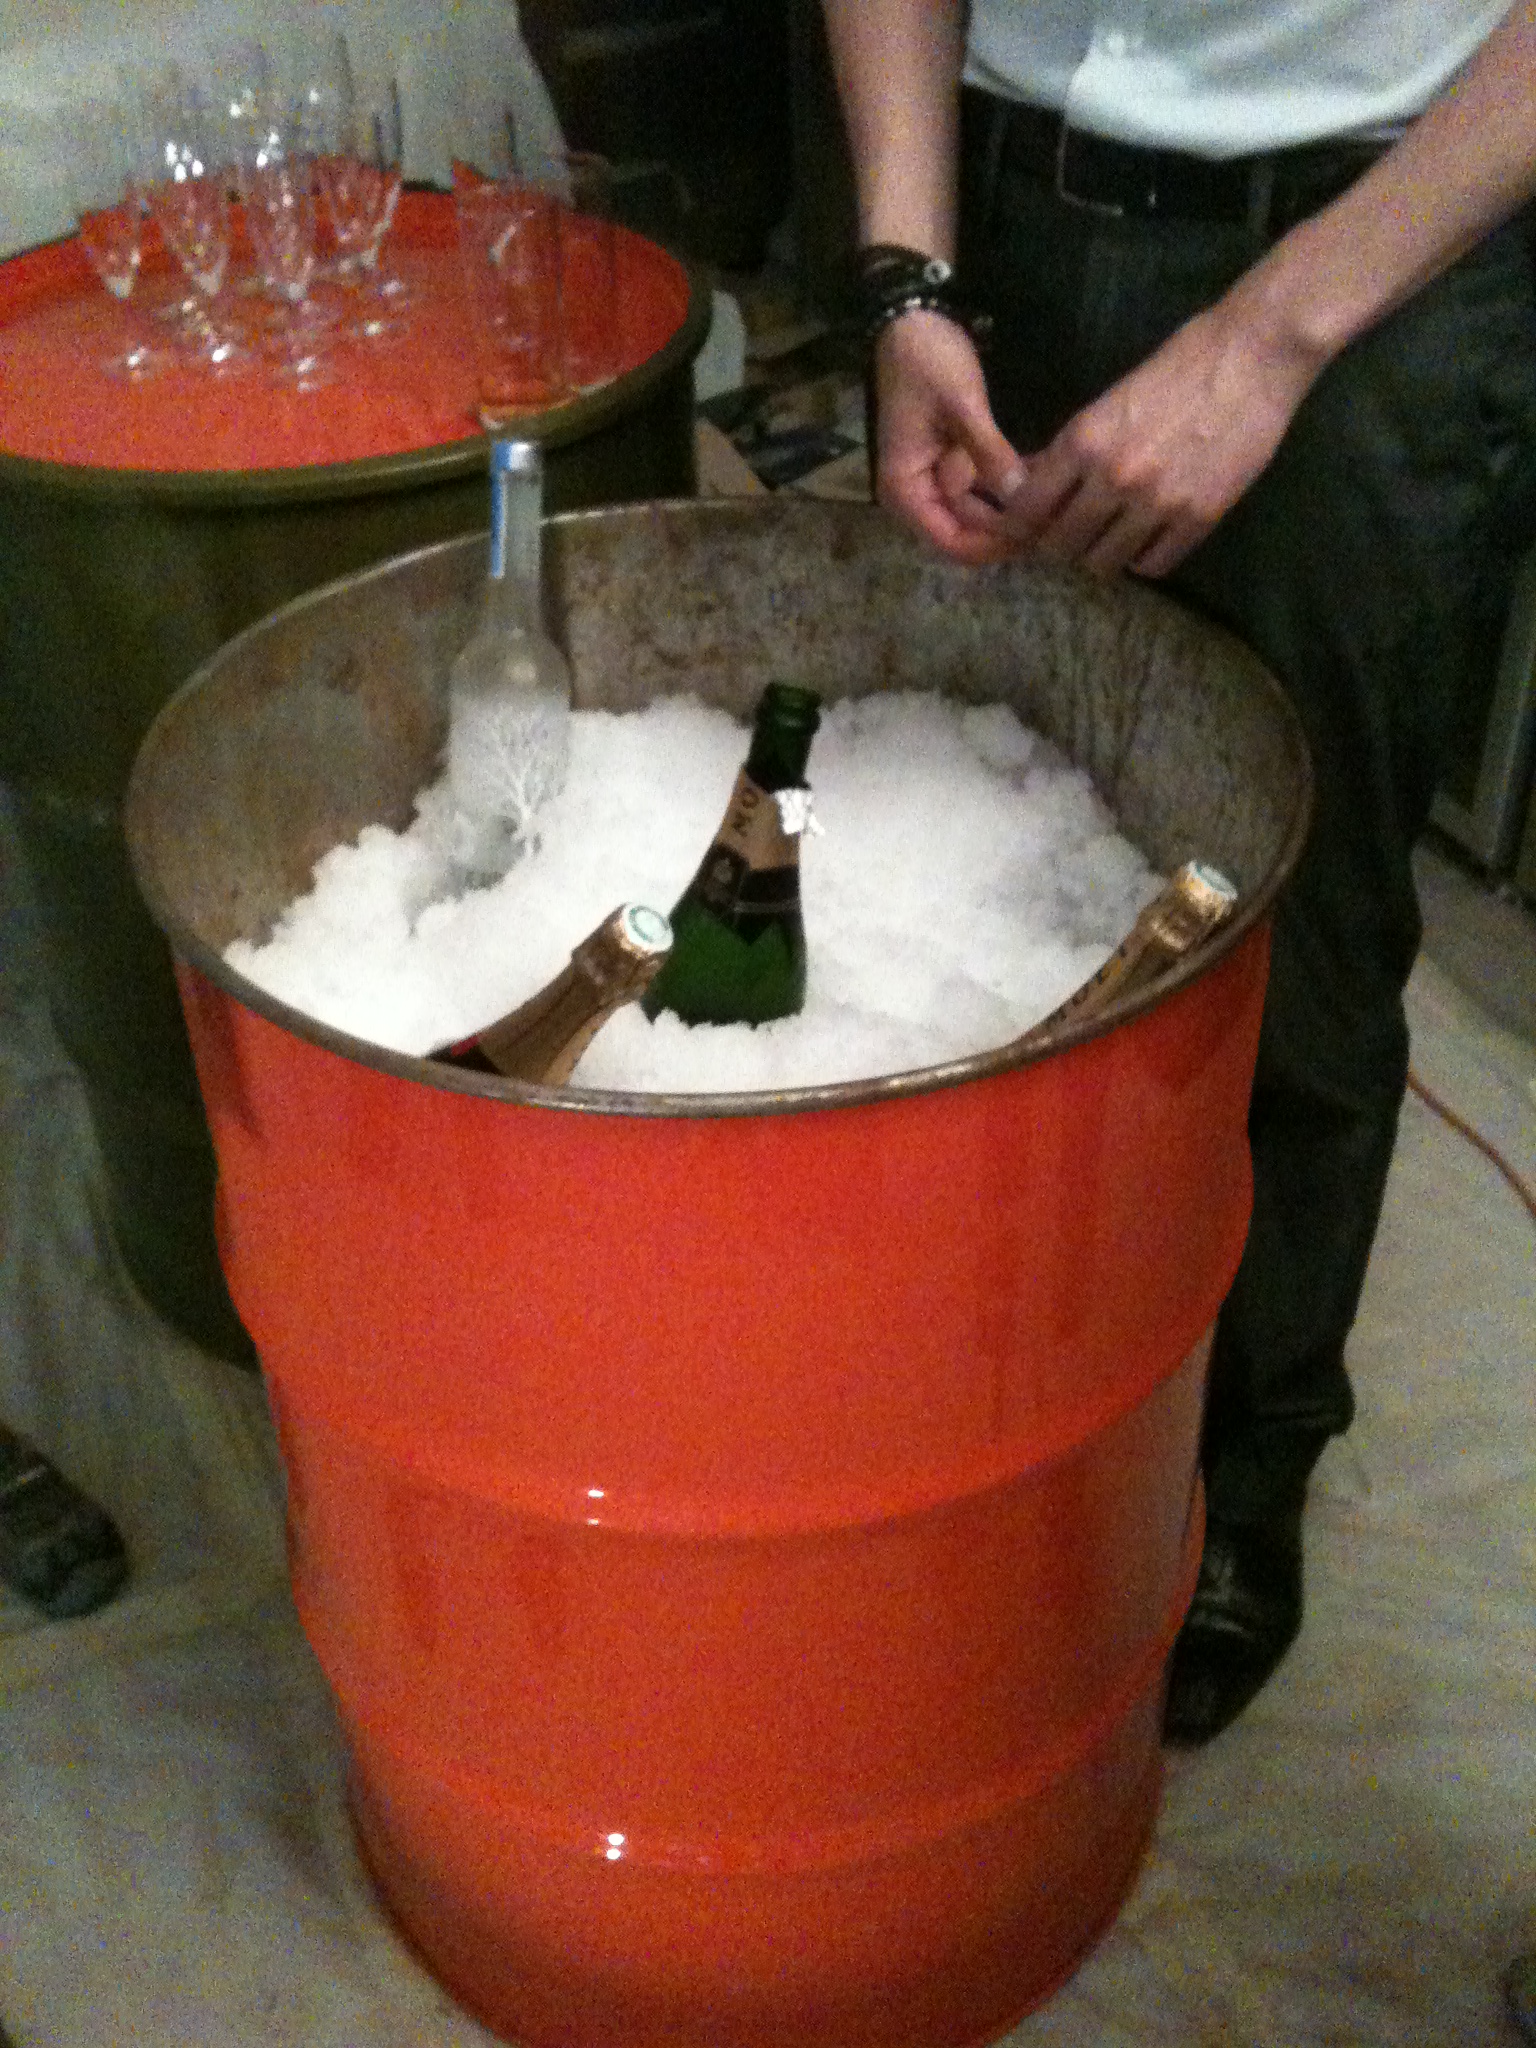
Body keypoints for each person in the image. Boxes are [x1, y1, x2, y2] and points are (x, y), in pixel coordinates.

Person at [821, 0, 1536, 1743]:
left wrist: (1266, 342)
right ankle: (1001, 1393)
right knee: (985, 856)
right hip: (1003, 219)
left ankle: (1251, 1451)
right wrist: (906, 279)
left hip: (1378, 249)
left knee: (1295, 922)